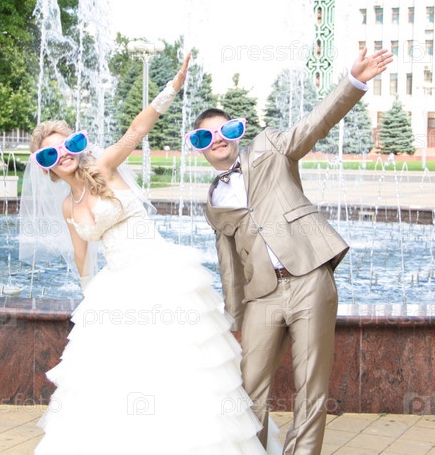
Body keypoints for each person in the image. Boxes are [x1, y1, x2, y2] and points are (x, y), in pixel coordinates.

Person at [23, 54, 279, 454]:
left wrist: (171, 88)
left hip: (161, 275)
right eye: (50, 154)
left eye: (67, 146)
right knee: (122, 377)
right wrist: (91, 301)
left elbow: (136, 130)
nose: (63, 156)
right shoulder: (68, 207)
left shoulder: (105, 166)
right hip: (116, 288)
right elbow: (81, 256)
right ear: (45, 166)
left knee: (181, 368)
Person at [190, 48, 392, 453]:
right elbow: (229, 265)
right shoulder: (212, 202)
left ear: (236, 133)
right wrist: (234, 318)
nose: (217, 140)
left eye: (224, 130)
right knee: (248, 389)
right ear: (199, 147)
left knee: (311, 386)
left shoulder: (269, 148)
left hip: (308, 278)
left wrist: (353, 81)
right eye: (205, 137)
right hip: (262, 295)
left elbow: (314, 124)